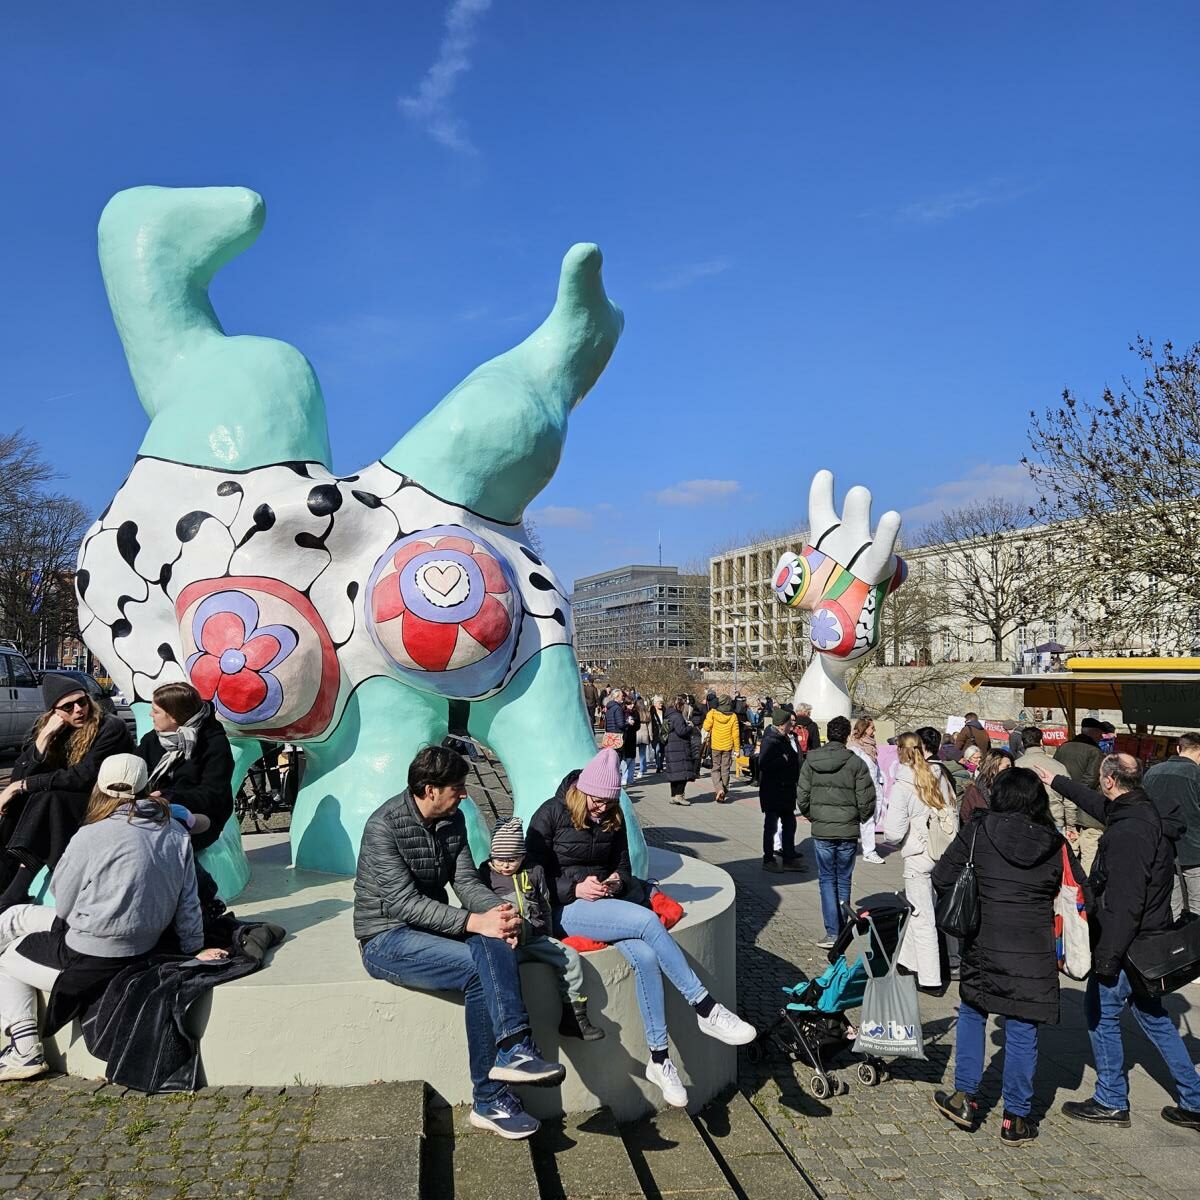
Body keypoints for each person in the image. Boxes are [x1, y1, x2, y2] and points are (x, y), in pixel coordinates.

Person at [355, 745, 566, 1140]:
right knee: (476, 966)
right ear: (429, 789)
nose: (465, 794)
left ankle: (515, 1052)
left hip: (428, 928)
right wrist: (474, 921)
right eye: (457, 787)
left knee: (495, 937)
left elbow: (467, 882)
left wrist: (500, 913)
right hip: (385, 937)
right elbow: (403, 903)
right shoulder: (383, 826)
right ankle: (490, 1096)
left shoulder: (454, 820)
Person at [526, 749, 755, 1108]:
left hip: (606, 904)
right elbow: (532, 873)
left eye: (609, 801)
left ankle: (660, 1059)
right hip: (565, 909)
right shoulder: (551, 813)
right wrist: (574, 889)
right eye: (597, 800)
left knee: (647, 957)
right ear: (582, 790)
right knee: (648, 920)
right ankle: (706, 1007)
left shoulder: (614, 817)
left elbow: (624, 866)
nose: (601, 808)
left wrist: (617, 881)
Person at [0, 753, 212, 1082]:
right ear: (146, 787)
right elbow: (188, 902)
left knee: (5, 956)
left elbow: (64, 903)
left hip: (89, 953)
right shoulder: (175, 832)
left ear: (100, 786)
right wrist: (193, 948)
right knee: (13, 916)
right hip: (142, 942)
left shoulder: (91, 834)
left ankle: (24, 1049)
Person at [1031, 755, 1200, 1131]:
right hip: (1144, 937)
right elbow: (1101, 807)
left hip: (1128, 942)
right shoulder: (1138, 810)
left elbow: (1125, 902)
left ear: (1108, 780)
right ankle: (1194, 1099)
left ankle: (1110, 1099)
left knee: (1101, 1011)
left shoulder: (1128, 832)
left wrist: (1107, 956)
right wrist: (1057, 781)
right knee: (1154, 1018)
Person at [932, 768, 1090, 1144]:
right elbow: (1080, 891)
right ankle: (1015, 1119)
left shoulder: (978, 831)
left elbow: (941, 877)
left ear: (999, 796)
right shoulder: (1055, 843)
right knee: (1022, 1028)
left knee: (972, 1013)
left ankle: (965, 1097)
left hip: (983, 940)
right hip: (1034, 949)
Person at [0, 673, 135, 911]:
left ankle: (15, 892)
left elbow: (83, 776)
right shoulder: (53, 729)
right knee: (18, 803)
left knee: (47, 798)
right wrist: (43, 739)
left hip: (104, 799)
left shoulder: (110, 727)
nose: (78, 710)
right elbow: (19, 777)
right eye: (68, 707)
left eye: (82, 701)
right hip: (68, 799)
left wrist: (21, 786)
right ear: (54, 712)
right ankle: (4, 881)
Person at [481, 817, 603, 1042]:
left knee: (570, 957)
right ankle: (510, 1026)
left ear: (523, 856)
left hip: (536, 938)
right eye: (500, 859)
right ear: (491, 856)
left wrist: (548, 933)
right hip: (506, 943)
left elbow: (545, 904)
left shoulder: (534, 871)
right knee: (501, 973)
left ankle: (574, 1016)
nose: (506, 865)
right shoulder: (485, 874)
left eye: (513, 859)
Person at [882, 733, 958, 993]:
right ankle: (906, 961)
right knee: (917, 911)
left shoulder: (903, 785)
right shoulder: (939, 775)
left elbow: (892, 832)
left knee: (922, 917)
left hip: (918, 856)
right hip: (943, 852)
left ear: (901, 753)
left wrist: (901, 838)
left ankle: (930, 978)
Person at [796, 716, 876, 949]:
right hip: (847, 828)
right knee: (843, 878)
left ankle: (833, 931)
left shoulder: (811, 760)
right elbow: (867, 798)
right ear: (846, 736)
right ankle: (841, 927)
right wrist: (859, 818)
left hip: (822, 828)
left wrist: (812, 814)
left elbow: (802, 794)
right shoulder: (856, 763)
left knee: (826, 879)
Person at [135, 682, 234, 852]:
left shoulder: (213, 743)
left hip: (202, 815)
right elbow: (134, 770)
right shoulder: (151, 740)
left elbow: (213, 794)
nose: (151, 714)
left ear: (174, 716)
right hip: (153, 810)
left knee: (164, 839)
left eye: (156, 711)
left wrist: (169, 798)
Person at [1144, 732, 1200, 918]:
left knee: (1171, 905)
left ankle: (1175, 943)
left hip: (1161, 848)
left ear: (1178, 748)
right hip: (1194, 849)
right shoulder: (1196, 774)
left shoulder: (1152, 772)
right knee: (1197, 905)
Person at [1053, 718, 1106, 871]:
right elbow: (1090, 780)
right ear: (1094, 732)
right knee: (1088, 857)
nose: (1101, 737)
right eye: (1100, 733)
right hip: (1086, 812)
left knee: (1068, 853)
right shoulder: (1094, 752)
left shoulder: (1063, 747)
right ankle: (1085, 890)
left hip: (1063, 806)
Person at [759, 711, 802, 873]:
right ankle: (768, 859)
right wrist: (783, 759)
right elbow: (763, 764)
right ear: (781, 724)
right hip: (774, 790)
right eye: (788, 723)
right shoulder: (770, 740)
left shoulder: (784, 738)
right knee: (771, 827)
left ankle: (789, 858)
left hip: (786, 789)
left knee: (790, 824)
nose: (791, 726)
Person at [847, 718, 886, 865]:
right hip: (862, 790)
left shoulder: (871, 748)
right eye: (871, 728)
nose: (874, 731)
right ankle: (869, 851)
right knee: (867, 819)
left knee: (873, 818)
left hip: (874, 787)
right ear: (863, 729)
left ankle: (863, 846)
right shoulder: (854, 748)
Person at [1017, 728, 1071, 832]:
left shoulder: (1015, 765)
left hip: (1024, 821)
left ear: (1022, 743)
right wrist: (1070, 824)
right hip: (1054, 820)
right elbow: (1069, 797)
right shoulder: (1059, 766)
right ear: (1041, 742)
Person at [663, 693, 700, 806]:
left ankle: (674, 796)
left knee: (674, 774)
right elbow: (681, 731)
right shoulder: (677, 716)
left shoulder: (668, 715)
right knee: (682, 773)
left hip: (671, 746)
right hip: (679, 748)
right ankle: (679, 795)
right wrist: (690, 726)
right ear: (679, 705)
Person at [702, 695, 740, 803]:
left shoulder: (713, 713)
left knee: (715, 769)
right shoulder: (733, 716)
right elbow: (736, 734)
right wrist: (737, 750)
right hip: (728, 747)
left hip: (715, 746)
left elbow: (706, 727)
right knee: (725, 769)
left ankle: (719, 789)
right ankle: (723, 791)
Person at [959, 750, 1012, 825]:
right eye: (1007, 767)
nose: (1011, 769)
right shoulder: (974, 791)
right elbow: (965, 818)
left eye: (1012, 766)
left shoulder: (1012, 789)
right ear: (993, 768)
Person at [649, 695, 668, 774]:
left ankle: (661, 764)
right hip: (655, 733)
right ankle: (658, 766)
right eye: (659, 703)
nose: (661, 704)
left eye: (661, 703)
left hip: (664, 733)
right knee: (657, 749)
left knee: (662, 750)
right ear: (655, 704)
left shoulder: (665, 711)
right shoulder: (651, 713)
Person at [633, 697, 651, 780]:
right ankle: (642, 769)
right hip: (644, 732)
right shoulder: (647, 713)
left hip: (635, 733)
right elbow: (649, 726)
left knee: (633, 753)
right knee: (642, 753)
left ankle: (633, 769)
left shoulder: (634, 712)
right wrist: (651, 735)